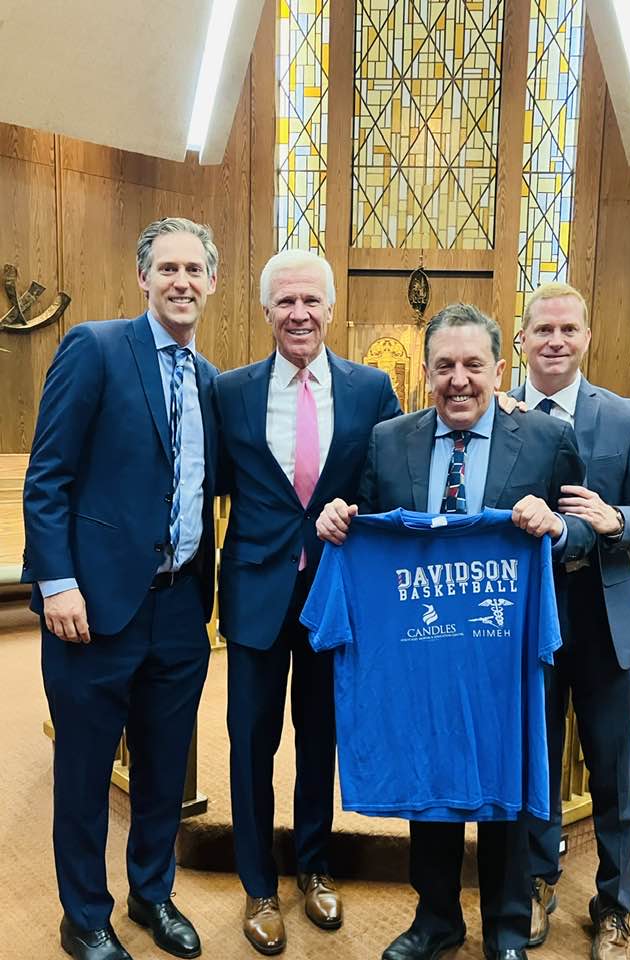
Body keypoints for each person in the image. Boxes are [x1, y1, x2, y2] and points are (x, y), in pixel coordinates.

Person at [316, 303, 595, 960]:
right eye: (444, 366)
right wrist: (337, 518)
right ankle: (435, 917)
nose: (459, 380)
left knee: (505, 783)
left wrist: (555, 528)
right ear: (424, 372)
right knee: (428, 775)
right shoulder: (390, 440)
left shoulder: (549, 441)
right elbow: (368, 526)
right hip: (423, 652)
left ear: (500, 370)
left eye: (473, 365)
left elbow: (584, 530)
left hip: (508, 654)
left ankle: (504, 925)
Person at [22, 217, 220, 960]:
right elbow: (48, 479)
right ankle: (84, 916)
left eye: (193, 270)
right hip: (91, 609)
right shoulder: (96, 347)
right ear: (143, 278)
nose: (180, 282)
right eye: (166, 268)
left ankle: (152, 894)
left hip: (178, 610)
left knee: (164, 770)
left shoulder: (207, 379)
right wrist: (57, 583)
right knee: (82, 772)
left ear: (210, 282)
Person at [213, 249, 401, 955]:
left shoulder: (369, 389)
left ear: (330, 309)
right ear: (265, 312)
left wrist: (350, 508)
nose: (298, 314)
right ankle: (259, 885)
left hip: (333, 593)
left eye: (309, 301)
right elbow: (209, 480)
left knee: (319, 737)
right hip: (256, 591)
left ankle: (314, 867)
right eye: (284, 302)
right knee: (250, 742)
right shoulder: (229, 392)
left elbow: (391, 483)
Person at [513, 281, 630, 960]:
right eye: (541, 329)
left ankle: (613, 908)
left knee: (611, 775)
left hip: (602, 620)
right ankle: (533, 882)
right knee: (533, 768)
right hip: (526, 621)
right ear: (520, 339)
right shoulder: (499, 415)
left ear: (586, 337)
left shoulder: (625, 416)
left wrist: (616, 519)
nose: (554, 340)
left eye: (567, 329)